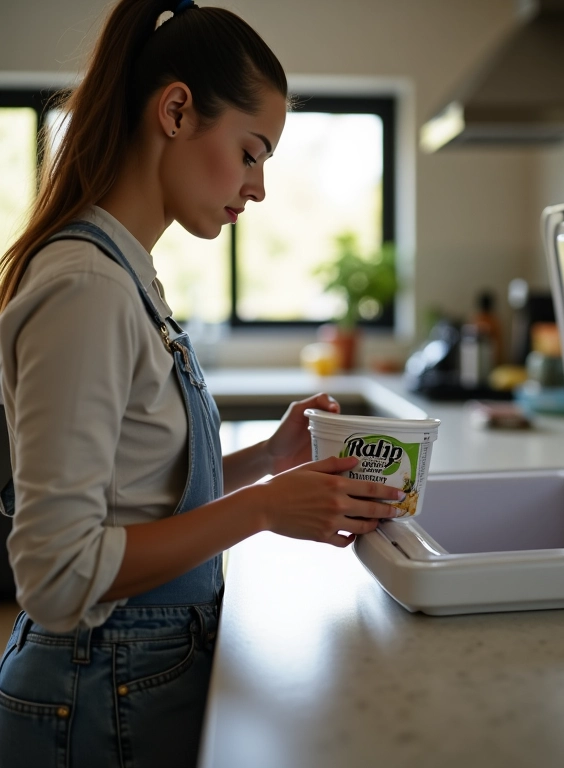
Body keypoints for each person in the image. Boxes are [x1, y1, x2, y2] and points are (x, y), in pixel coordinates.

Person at [0, 1, 404, 766]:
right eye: (252, 153)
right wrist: (260, 508)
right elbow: (57, 575)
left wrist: (268, 462)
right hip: (93, 689)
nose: (257, 189)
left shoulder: (125, 272)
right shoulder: (88, 287)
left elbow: (142, 487)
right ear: (177, 110)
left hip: (124, 680)